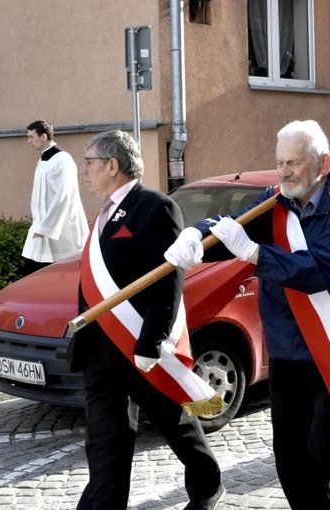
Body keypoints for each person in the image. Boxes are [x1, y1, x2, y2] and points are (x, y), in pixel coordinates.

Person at [164, 120, 330, 510]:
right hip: (287, 351)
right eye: (280, 162)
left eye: (294, 163)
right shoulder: (276, 201)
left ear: (323, 163)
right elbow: (233, 229)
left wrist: (256, 254)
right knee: (293, 461)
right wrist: (197, 235)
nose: (284, 172)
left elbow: (326, 269)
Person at [67, 130, 223, 510]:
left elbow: (169, 279)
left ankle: (208, 485)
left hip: (138, 346)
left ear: (112, 165)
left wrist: (152, 341)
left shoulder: (156, 207)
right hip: (100, 351)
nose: (83, 170)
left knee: (175, 423)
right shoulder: (103, 212)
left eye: (89, 162)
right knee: (106, 441)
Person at [22, 119, 89, 276]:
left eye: (31, 137)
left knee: (62, 271)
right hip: (42, 226)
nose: (29, 141)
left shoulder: (62, 160)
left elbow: (63, 195)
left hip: (61, 229)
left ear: (44, 136)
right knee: (33, 271)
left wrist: (46, 225)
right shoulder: (43, 159)